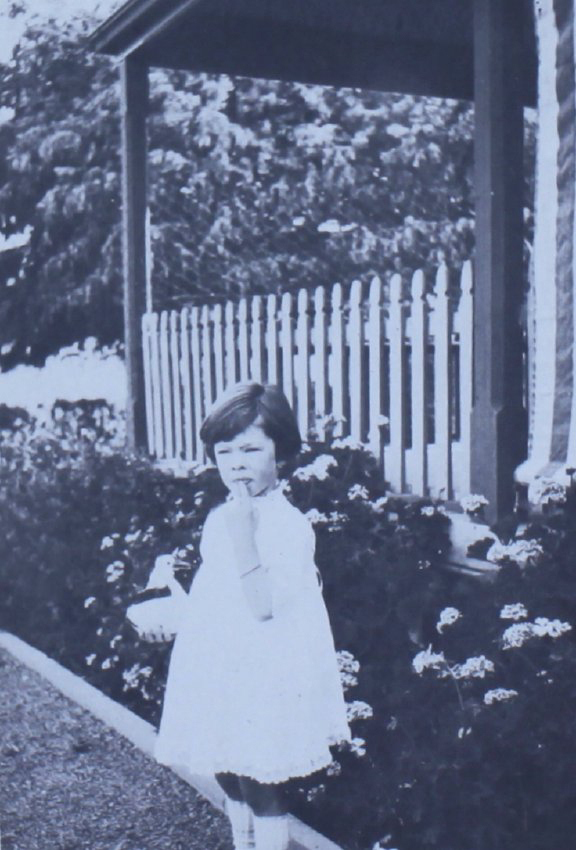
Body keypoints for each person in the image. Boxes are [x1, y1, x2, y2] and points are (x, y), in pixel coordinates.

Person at [152, 382, 351, 850]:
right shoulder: (221, 518)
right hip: (222, 661)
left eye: (250, 448)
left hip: (266, 666)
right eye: (224, 452)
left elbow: (263, 605)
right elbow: (214, 591)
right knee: (226, 767)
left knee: (261, 779)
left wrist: (245, 535)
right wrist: (174, 619)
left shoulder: (287, 525)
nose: (236, 463)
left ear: (279, 452)